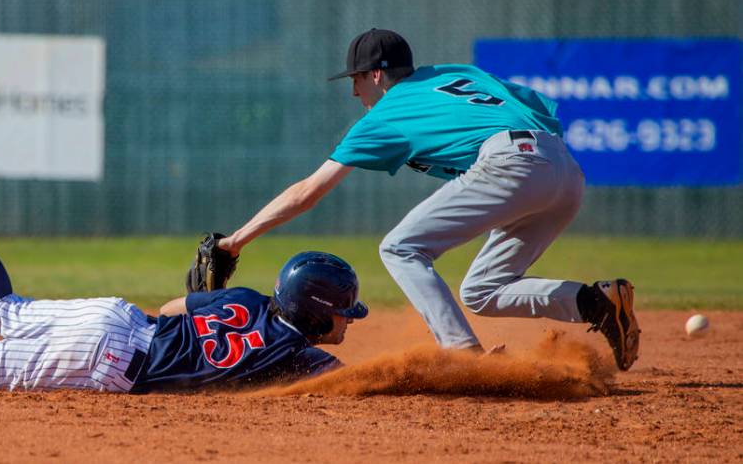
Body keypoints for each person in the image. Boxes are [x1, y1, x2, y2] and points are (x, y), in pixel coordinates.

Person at [216, 28, 640, 371]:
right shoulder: (454, 74)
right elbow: (540, 111)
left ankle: (461, 355)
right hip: (564, 168)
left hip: (513, 162)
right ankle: (595, 302)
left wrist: (235, 241)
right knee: (482, 291)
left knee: (400, 247)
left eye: (357, 79)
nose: (354, 92)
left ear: (377, 75)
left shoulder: (386, 112)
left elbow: (308, 192)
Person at [0, 166, 368, 392]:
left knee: (5, 310)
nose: (347, 319)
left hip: (118, 318)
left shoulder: (245, 298)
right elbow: (359, 381)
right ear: (315, 310)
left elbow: (172, 308)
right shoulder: (300, 357)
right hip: (111, 360)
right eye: (344, 310)